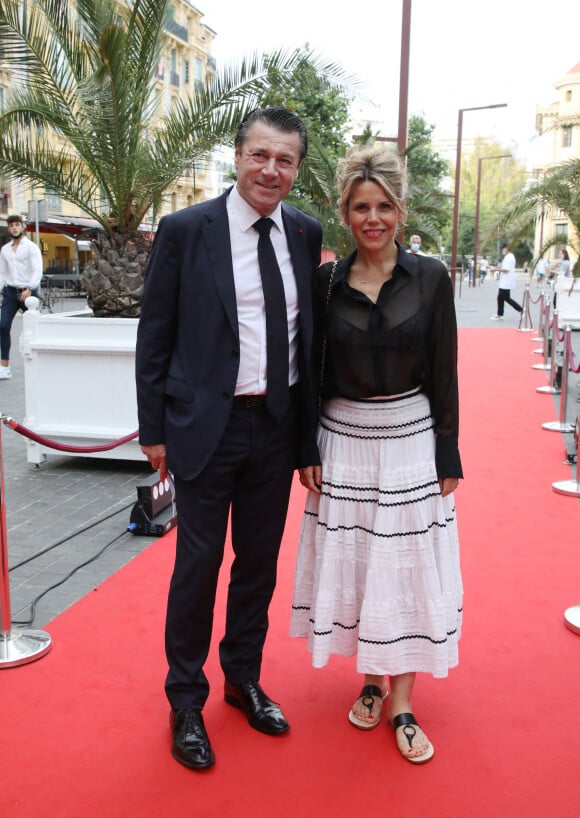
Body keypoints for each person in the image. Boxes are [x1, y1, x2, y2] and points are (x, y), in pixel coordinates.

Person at [135, 107, 322, 771]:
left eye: (285, 160)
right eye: (260, 156)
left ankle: (243, 676)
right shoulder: (188, 230)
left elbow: (307, 341)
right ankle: (186, 698)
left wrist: (307, 443)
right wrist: (151, 427)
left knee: (258, 564)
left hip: (274, 425)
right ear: (237, 156)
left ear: (297, 168)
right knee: (198, 566)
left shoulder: (304, 232)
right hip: (203, 427)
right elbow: (154, 333)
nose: (272, 170)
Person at [291, 145, 463, 765]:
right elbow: (308, 368)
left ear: (400, 209)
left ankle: (403, 702)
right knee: (362, 564)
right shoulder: (325, 281)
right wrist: (305, 442)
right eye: (361, 206)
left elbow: (445, 369)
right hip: (344, 442)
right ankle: (368, 679)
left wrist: (450, 452)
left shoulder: (432, 278)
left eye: (383, 206)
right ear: (345, 211)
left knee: (407, 566)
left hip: (412, 442)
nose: (373, 218)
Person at [0, 215, 42, 379]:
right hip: (10, 292)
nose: (14, 228)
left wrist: (30, 288)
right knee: (3, 326)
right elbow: (2, 273)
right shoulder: (4, 250)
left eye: (17, 225)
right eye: (11, 226)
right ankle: (5, 367)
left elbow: (37, 270)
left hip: (28, 293)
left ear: (23, 227)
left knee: (35, 328)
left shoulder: (31, 247)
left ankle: (39, 364)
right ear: (9, 228)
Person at [490, 243, 522, 320]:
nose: (502, 250)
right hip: (504, 281)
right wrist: (497, 267)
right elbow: (505, 267)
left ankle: (520, 309)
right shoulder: (508, 257)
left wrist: (496, 269)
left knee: (506, 298)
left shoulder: (509, 257)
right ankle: (500, 314)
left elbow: (506, 270)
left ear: (507, 248)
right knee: (500, 298)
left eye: (503, 248)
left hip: (506, 282)